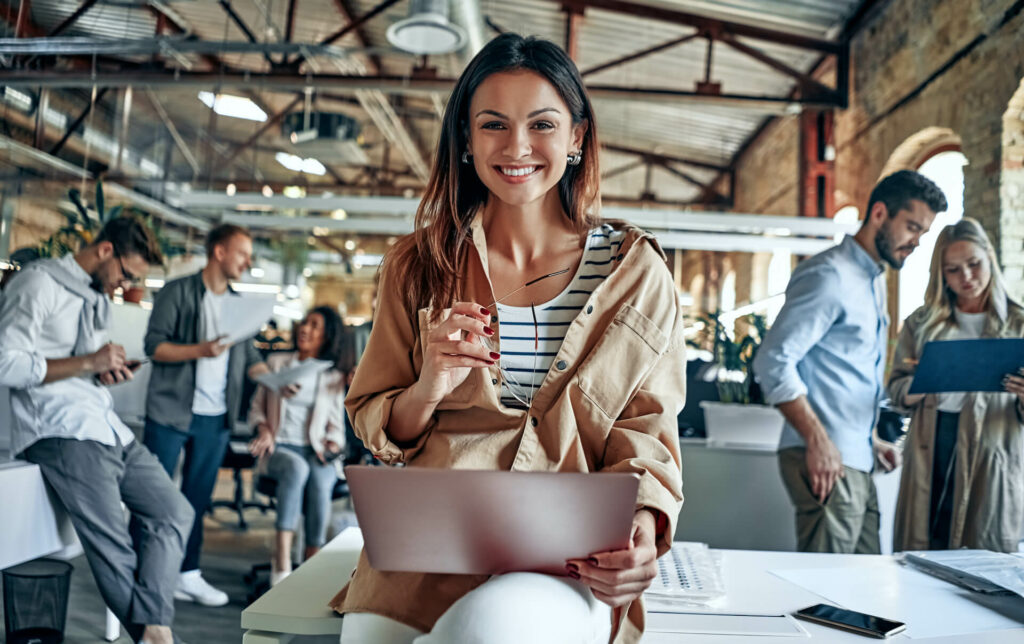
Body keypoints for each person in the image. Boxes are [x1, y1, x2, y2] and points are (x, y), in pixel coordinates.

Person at [333, 34, 685, 644]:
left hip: (569, 558)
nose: (517, 146)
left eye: (542, 124)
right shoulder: (417, 265)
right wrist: (427, 387)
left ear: (576, 137)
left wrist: (646, 527)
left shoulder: (636, 273)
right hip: (423, 555)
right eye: (493, 124)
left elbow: (649, 432)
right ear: (466, 139)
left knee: (487, 629)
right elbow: (376, 420)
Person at [0, 217, 192, 644]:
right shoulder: (38, 283)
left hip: (106, 426)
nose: (127, 285)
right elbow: (5, 363)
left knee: (174, 511)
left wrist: (101, 372)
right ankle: (157, 637)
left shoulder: (95, 297)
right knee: (114, 546)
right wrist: (89, 362)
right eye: (127, 274)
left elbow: (79, 368)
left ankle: (153, 629)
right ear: (105, 251)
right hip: (61, 431)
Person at [753, 170, 947, 554]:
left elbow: (841, 371)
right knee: (828, 586)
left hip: (854, 457)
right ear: (879, 213)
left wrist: (868, 440)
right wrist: (819, 441)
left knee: (864, 580)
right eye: (912, 227)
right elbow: (772, 361)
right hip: (828, 456)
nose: (916, 242)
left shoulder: (871, 279)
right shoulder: (830, 275)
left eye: (923, 233)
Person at [142, 223, 270, 607]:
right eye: (242, 253)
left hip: (215, 417)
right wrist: (200, 349)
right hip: (170, 411)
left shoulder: (239, 305)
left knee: (196, 498)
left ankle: (187, 573)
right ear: (219, 252)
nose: (247, 262)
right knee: (152, 494)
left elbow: (249, 357)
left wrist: (278, 380)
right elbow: (154, 347)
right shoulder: (177, 292)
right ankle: (144, 570)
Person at [888, 218, 1024, 552]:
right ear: (941, 274)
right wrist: (925, 380)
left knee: (983, 553)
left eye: (974, 264)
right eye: (953, 269)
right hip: (932, 441)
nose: (966, 277)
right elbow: (895, 390)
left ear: (989, 257)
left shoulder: (1019, 324)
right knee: (924, 546)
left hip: (992, 447)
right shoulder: (920, 323)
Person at [248, 306, 347, 585]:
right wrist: (264, 429)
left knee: (321, 477)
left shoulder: (332, 375)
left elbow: (337, 429)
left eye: (315, 326)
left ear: (326, 336)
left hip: (314, 450)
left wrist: (332, 444)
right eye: (305, 323)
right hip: (279, 448)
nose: (305, 329)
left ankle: (311, 560)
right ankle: (281, 561)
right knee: (296, 468)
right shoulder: (277, 363)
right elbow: (256, 409)